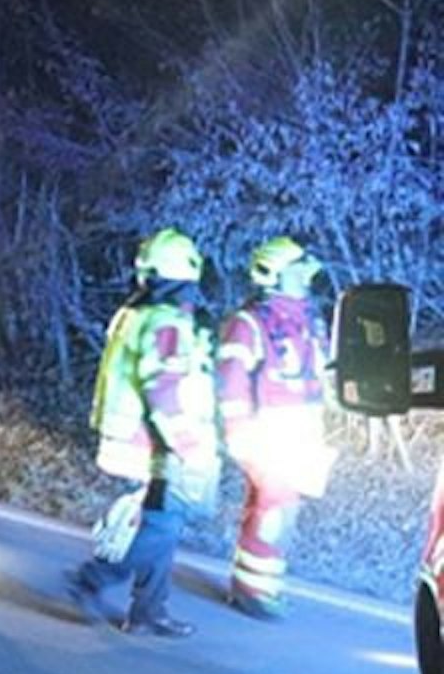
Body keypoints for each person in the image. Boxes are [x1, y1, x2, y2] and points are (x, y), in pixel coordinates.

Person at [66, 228, 220, 639]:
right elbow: (162, 388)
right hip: (153, 443)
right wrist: (186, 443)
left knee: (163, 526)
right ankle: (92, 580)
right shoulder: (166, 322)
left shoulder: (137, 313)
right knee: (162, 527)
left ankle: (149, 611)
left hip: (139, 437)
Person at [217, 236, 334, 621]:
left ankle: (257, 582)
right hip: (268, 431)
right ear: (279, 274)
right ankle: (254, 589)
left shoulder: (308, 318)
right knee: (274, 509)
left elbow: (321, 375)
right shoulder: (249, 322)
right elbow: (231, 381)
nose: (305, 275)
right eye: (298, 268)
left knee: (283, 508)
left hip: (302, 431)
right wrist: (238, 432)